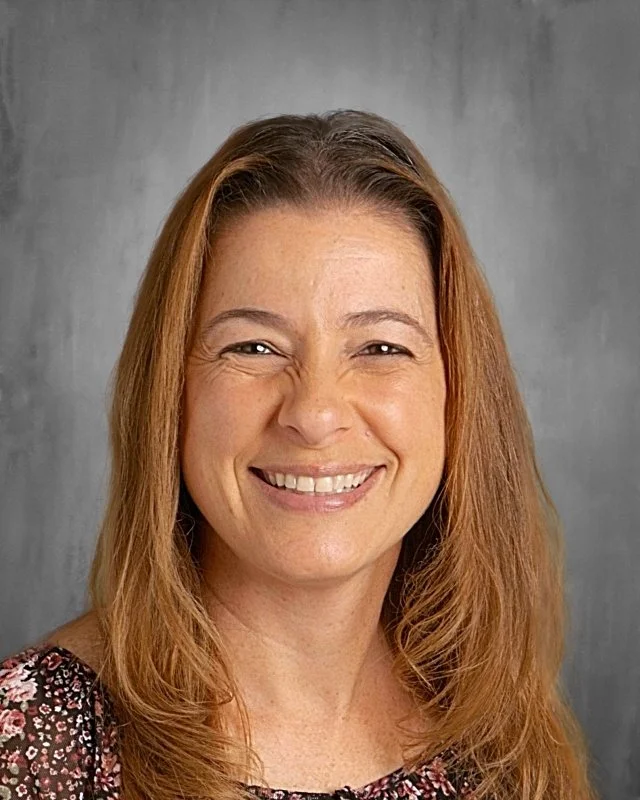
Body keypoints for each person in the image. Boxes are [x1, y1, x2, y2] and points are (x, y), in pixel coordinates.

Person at [0, 110, 597, 800]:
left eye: (380, 348)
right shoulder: (31, 747)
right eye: (253, 347)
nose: (314, 414)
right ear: (173, 394)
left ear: (457, 392)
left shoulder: (498, 740)